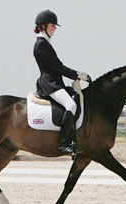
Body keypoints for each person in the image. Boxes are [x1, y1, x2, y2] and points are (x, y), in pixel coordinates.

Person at [33, 10, 90, 155]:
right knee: (70, 105)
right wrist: (77, 74)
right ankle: (64, 143)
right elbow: (57, 67)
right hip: (49, 84)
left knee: (77, 97)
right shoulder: (41, 44)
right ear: (44, 26)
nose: (55, 28)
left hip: (55, 82)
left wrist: (75, 77)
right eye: (53, 25)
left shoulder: (46, 42)